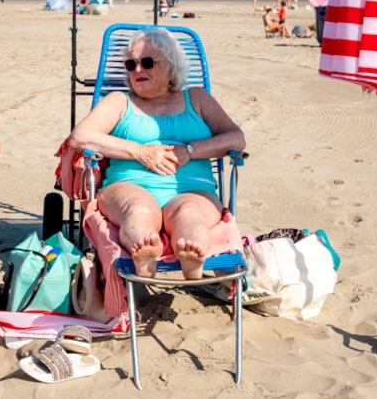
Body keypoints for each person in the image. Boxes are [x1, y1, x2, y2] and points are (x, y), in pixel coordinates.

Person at [67, 28, 245, 279]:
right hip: (129, 185)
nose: (138, 70)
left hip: (192, 189)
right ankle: (144, 252)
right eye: (132, 64)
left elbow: (236, 138)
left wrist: (190, 151)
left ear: (170, 67)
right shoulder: (120, 101)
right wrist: (140, 152)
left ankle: (191, 254)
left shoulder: (197, 99)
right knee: (137, 209)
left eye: (147, 62)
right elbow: (80, 137)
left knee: (190, 215)